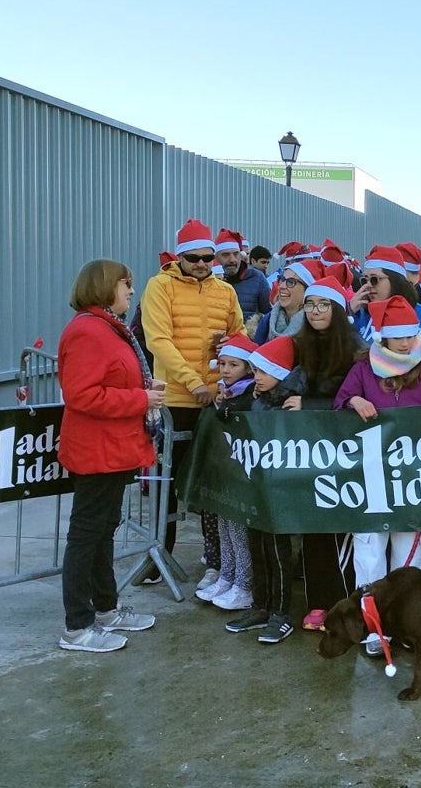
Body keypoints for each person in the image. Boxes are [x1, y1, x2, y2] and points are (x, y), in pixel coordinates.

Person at [56, 259, 162, 652]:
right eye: (125, 284)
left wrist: (144, 388)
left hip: (112, 448)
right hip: (97, 450)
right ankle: (77, 625)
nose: (131, 291)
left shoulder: (105, 328)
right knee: (88, 535)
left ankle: (105, 608)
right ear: (104, 288)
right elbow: (81, 394)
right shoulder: (89, 330)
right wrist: (141, 398)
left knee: (103, 531)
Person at [335, 296, 421, 654]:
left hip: (411, 480)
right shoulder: (363, 369)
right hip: (369, 479)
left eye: (409, 335)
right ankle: (372, 627)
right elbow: (341, 401)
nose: (403, 342)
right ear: (382, 337)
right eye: (396, 336)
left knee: (409, 556)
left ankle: (407, 625)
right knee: (368, 554)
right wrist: (353, 402)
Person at [140, 219, 246, 587]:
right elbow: (158, 341)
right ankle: (159, 555)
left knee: (214, 484)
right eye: (194, 258)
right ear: (179, 257)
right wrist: (193, 382)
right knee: (167, 482)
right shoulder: (159, 287)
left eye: (207, 258)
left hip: (216, 399)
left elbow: (241, 333)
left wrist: (229, 345)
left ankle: (215, 562)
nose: (202, 264)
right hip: (176, 401)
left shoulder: (224, 290)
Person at [286, 276, 365, 632]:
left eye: (323, 305)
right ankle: (317, 602)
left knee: (340, 529)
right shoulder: (296, 344)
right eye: (310, 305)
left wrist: (310, 403)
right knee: (313, 528)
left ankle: (343, 602)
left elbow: (353, 398)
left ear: (337, 309)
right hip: (309, 450)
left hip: (345, 451)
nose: (316, 311)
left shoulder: (355, 348)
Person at [222, 335, 304, 645]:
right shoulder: (256, 397)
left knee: (278, 552)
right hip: (256, 488)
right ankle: (260, 605)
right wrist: (227, 409)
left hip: (280, 491)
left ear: (280, 374)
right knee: (257, 548)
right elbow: (237, 412)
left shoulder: (289, 402)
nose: (256, 378)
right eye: (254, 372)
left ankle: (280, 613)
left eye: (263, 372)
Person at [195, 335, 259, 611]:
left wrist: (223, 407)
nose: (226, 370)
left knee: (238, 529)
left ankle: (244, 585)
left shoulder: (249, 394)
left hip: (242, 478)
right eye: (222, 363)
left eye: (234, 365)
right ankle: (227, 576)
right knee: (224, 525)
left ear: (248, 369)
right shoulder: (224, 391)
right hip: (225, 473)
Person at [350, 246, 421, 341]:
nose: (368, 285)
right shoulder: (359, 314)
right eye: (365, 280)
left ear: (395, 281)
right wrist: (348, 314)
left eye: (374, 279)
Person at [253, 259, 321, 344]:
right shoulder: (267, 320)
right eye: (282, 279)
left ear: (307, 290)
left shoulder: (316, 323)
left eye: (291, 282)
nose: (282, 286)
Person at [216, 229, 271, 322]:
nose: (232, 260)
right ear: (216, 257)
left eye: (236, 254)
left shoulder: (257, 278)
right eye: (226, 255)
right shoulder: (208, 281)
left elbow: (269, 314)